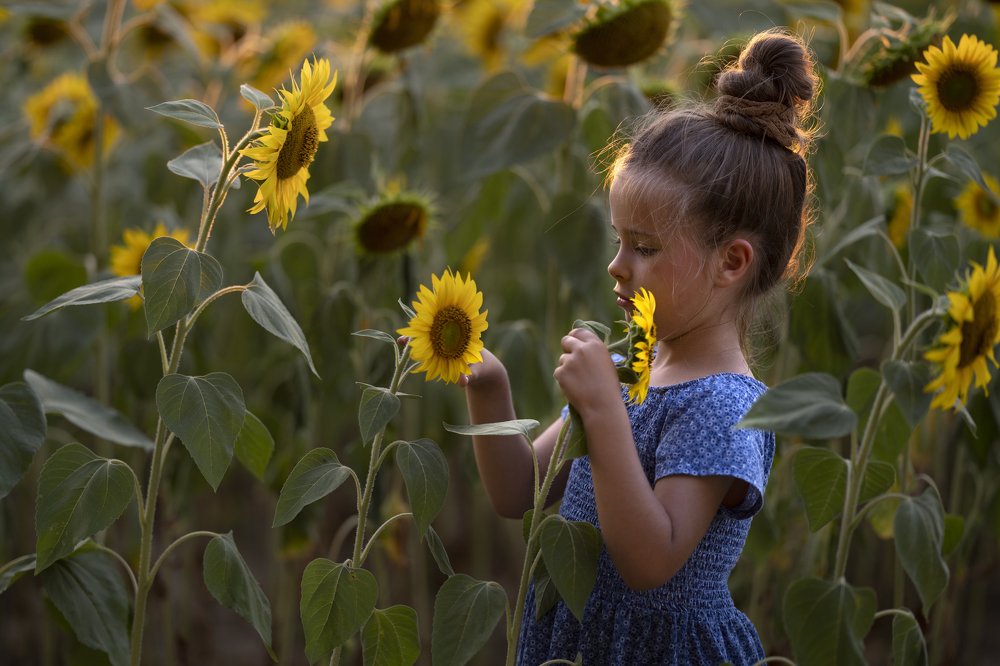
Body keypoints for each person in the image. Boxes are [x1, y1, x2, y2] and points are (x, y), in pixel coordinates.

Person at [459, 29, 817, 665]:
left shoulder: (726, 407)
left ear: (731, 262)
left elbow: (651, 559)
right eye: (619, 241)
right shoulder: (633, 369)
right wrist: (490, 389)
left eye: (645, 248)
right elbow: (520, 493)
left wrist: (602, 413)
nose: (616, 267)